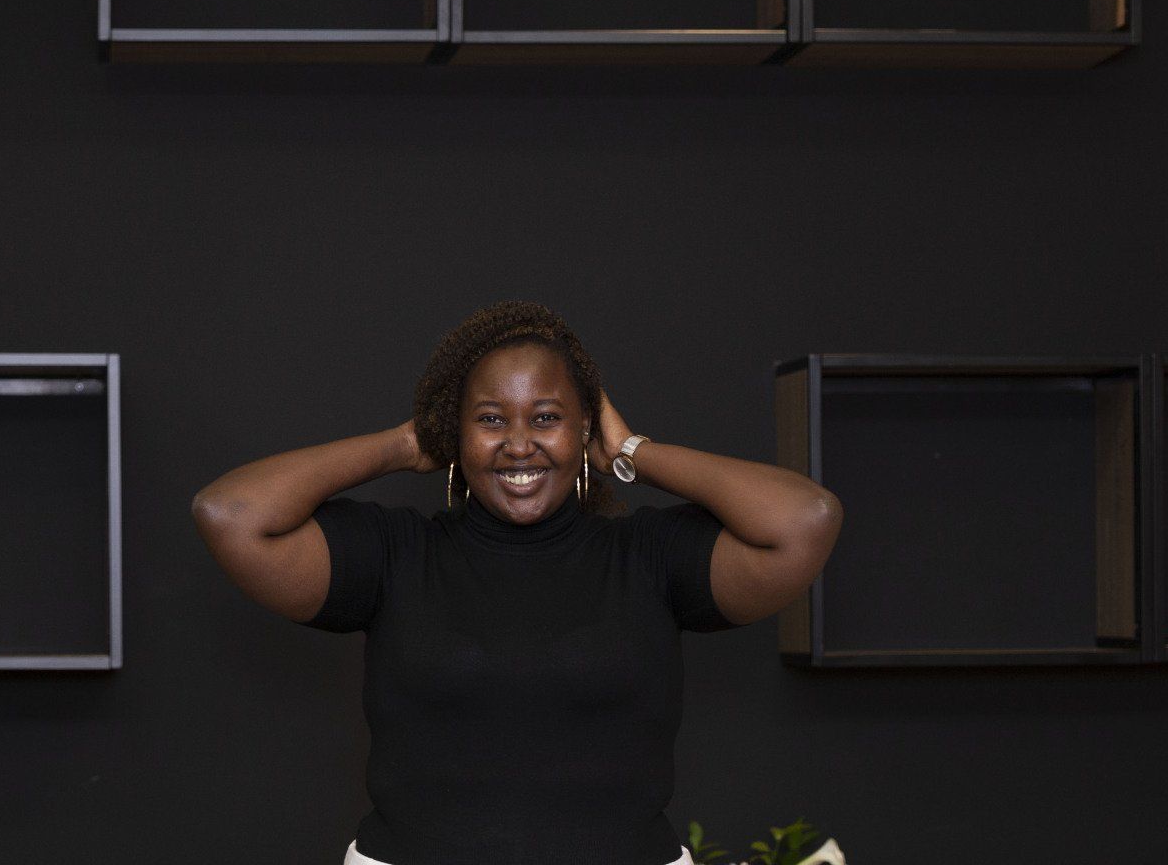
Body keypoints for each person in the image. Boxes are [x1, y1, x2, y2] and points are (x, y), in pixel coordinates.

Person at [192, 301, 843, 865]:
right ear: (458, 434)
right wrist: (404, 444)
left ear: (584, 429)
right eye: (490, 419)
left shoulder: (649, 556)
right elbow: (232, 514)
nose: (519, 444)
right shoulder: (396, 554)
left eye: (546, 417)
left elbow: (803, 520)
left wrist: (631, 452)